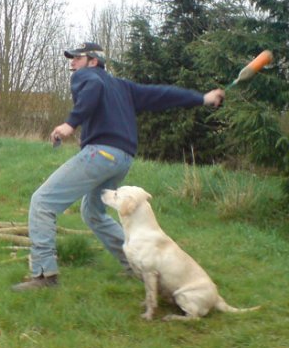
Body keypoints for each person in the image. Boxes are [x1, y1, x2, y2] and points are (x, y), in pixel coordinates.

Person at [12, 42, 225, 291]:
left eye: (77, 58)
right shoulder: (122, 87)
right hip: (122, 158)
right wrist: (202, 98)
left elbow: (92, 87)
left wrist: (71, 124)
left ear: (93, 61)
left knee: (43, 202)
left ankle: (44, 274)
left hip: (100, 154)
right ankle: (136, 266)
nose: (72, 63)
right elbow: (162, 95)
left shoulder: (87, 77)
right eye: (71, 59)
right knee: (93, 213)